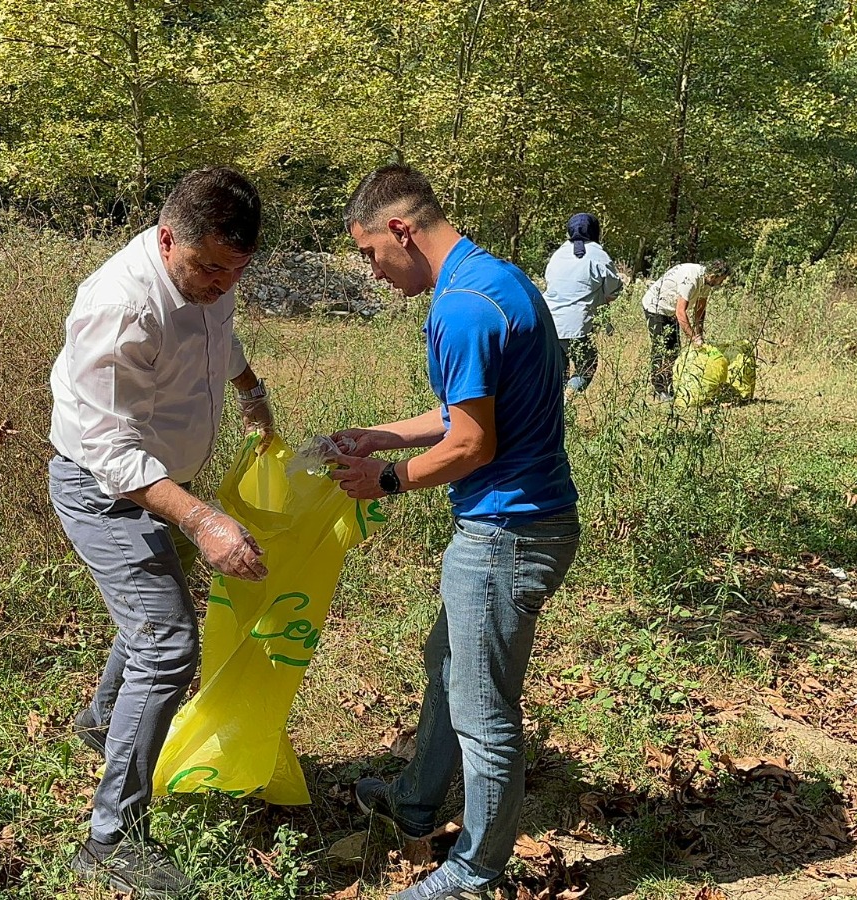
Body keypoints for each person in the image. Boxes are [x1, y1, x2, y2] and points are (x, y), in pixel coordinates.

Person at [328, 164, 581, 900]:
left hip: (506, 532)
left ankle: (473, 871)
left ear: (400, 230)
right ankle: (413, 799)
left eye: (371, 254)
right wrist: (381, 436)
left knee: (484, 711)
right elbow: (466, 414)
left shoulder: (461, 308)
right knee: (446, 660)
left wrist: (388, 480)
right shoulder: (496, 279)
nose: (374, 272)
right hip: (524, 521)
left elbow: (472, 446)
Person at [47, 166, 276, 898]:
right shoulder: (120, 306)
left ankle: (102, 722)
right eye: (209, 267)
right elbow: (109, 451)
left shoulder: (211, 275)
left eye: (235, 270)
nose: (221, 282)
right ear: (166, 237)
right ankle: (111, 839)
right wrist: (203, 518)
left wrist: (250, 390)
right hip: (103, 489)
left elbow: (220, 336)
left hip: (161, 486)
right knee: (168, 643)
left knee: (152, 615)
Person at [542, 212, 625, 395]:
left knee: (559, 374)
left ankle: (559, 413)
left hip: (549, 320)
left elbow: (550, 282)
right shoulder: (598, 254)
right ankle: (568, 399)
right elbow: (614, 289)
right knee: (587, 366)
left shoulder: (559, 253)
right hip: (577, 324)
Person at [639, 259, 729, 401]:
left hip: (671, 310)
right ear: (713, 275)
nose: (721, 283)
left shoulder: (706, 282)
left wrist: (699, 333)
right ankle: (659, 390)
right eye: (721, 279)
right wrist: (694, 338)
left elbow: (700, 309)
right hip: (656, 306)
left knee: (675, 349)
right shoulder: (691, 279)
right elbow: (681, 312)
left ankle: (670, 386)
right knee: (661, 348)